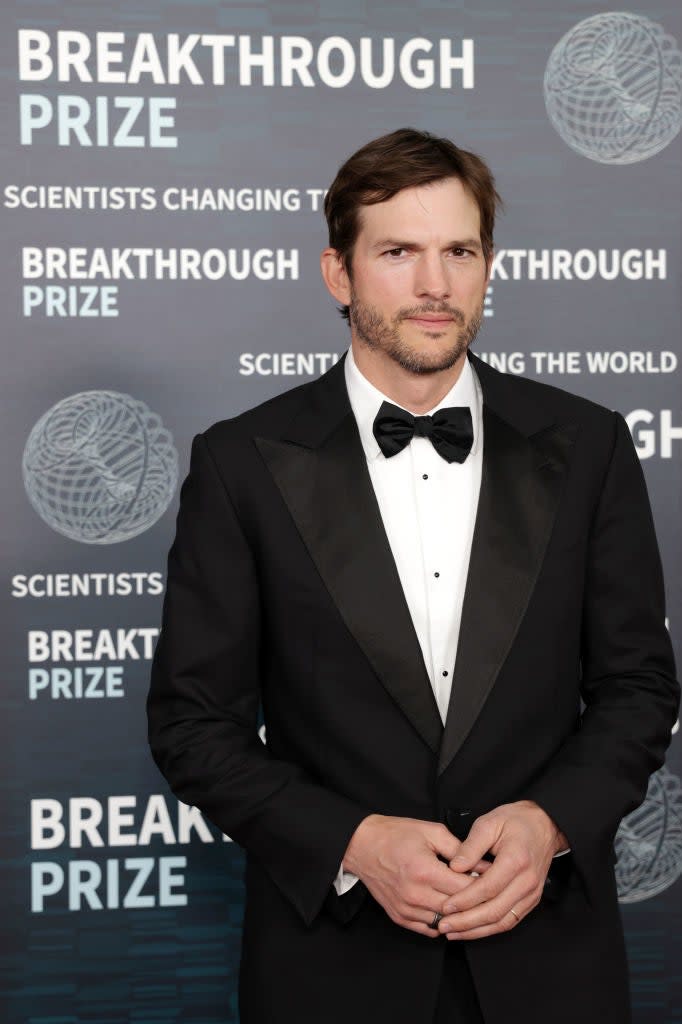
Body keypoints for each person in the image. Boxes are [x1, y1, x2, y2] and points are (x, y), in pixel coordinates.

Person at [147, 128, 679, 1024]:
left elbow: (636, 685)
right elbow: (194, 723)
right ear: (338, 274)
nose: (435, 285)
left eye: (459, 252)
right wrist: (352, 841)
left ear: (486, 266)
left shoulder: (587, 445)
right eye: (398, 252)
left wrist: (551, 821)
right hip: (334, 970)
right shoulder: (242, 463)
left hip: (550, 965)